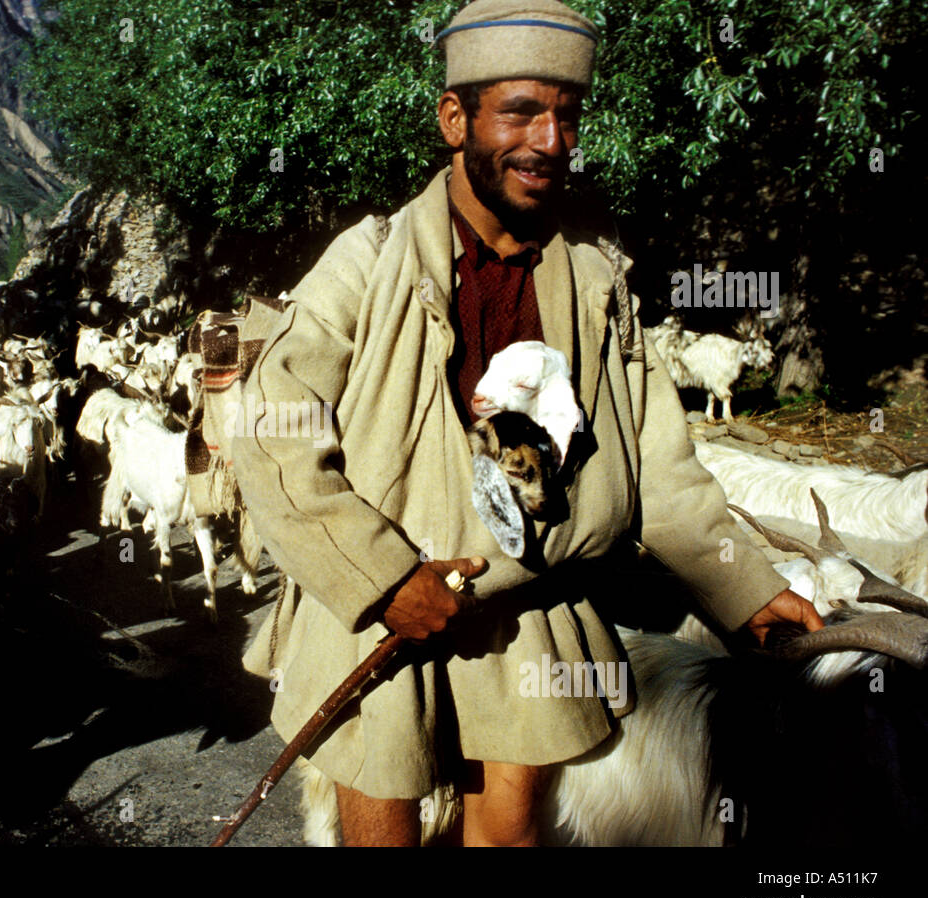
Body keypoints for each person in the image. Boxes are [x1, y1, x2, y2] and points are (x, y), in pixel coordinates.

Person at [229, 0, 823, 847]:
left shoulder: (591, 275)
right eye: (519, 112)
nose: (548, 141)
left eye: (566, 117)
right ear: (454, 118)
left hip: (530, 600)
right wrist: (385, 578)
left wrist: (748, 590)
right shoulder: (370, 262)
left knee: (509, 839)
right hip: (389, 599)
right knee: (380, 834)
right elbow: (272, 430)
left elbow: (656, 461)